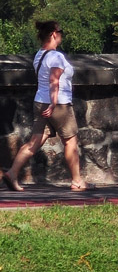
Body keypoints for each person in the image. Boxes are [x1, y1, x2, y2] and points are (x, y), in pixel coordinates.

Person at [4, 20, 87, 192]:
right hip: (58, 104)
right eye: (60, 31)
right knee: (70, 141)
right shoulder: (56, 56)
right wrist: (55, 102)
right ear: (53, 34)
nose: (62, 35)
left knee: (34, 142)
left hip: (40, 102)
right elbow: (54, 81)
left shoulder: (39, 55)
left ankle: (12, 173)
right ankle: (77, 181)